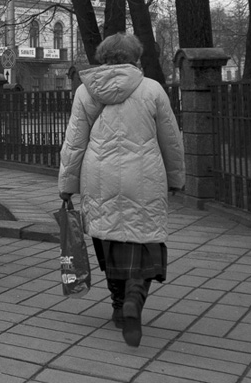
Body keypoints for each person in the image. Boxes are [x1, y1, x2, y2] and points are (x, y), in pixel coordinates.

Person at [57, 33, 184, 348]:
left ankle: (117, 305)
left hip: (100, 178)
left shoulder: (86, 91)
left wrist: (66, 185)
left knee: (109, 238)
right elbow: (171, 139)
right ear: (135, 58)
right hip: (145, 177)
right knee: (145, 239)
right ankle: (134, 298)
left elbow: (74, 143)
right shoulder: (152, 89)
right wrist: (176, 178)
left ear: (103, 58)